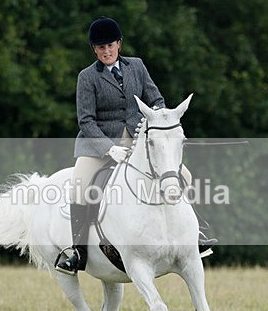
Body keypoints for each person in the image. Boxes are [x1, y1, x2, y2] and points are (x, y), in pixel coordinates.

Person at [54, 17, 217, 275]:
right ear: (94, 49)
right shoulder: (87, 77)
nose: (106, 51)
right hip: (98, 145)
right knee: (80, 186)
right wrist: (108, 148)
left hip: (138, 141)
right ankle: (77, 251)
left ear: (119, 44)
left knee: (183, 175)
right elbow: (86, 120)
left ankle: (195, 234)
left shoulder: (137, 66)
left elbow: (156, 99)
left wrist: (162, 120)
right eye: (100, 47)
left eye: (110, 45)